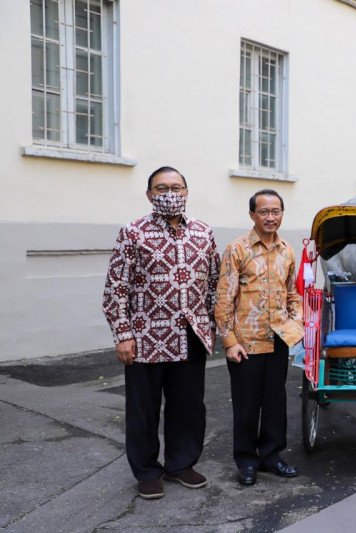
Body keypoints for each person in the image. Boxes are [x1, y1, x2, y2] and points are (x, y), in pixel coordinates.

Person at [102, 166, 220, 500]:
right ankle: (147, 471)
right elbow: (116, 287)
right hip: (145, 338)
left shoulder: (203, 232)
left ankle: (181, 464)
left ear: (186, 192)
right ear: (149, 194)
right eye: (161, 188)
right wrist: (122, 334)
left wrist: (211, 326)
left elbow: (214, 283)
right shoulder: (133, 232)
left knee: (188, 406)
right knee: (144, 410)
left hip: (190, 337)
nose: (170, 193)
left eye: (177, 187)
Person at [215, 189, 304, 486]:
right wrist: (229, 342)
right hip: (246, 342)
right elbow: (224, 300)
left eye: (276, 211)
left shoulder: (288, 251)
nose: (271, 217)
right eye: (264, 211)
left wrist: (296, 324)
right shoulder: (237, 249)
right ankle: (247, 461)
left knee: (276, 402)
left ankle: (271, 456)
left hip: (278, 338)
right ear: (252, 214)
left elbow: (293, 293)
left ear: (282, 213)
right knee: (246, 405)